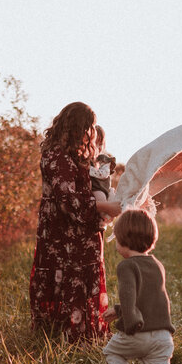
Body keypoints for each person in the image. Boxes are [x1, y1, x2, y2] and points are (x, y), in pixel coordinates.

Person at [29, 102, 122, 342]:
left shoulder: (73, 154)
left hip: (80, 231)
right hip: (63, 232)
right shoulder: (55, 155)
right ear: (78, 127)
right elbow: (68, 199)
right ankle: (63, 334)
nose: (92, 132)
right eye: (89, 126)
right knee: (65, 277)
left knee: (81, 278)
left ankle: (84, 333)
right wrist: (106, 207)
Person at [102, 209, 176, 364]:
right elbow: (148, 297)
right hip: (163, 337)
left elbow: (129, 296)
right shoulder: (157, 264)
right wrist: (119, 310)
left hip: (138, 331)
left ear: (123, 240)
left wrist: (130, 321)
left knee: (111, 352)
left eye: (116, 239)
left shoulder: (126, 266)